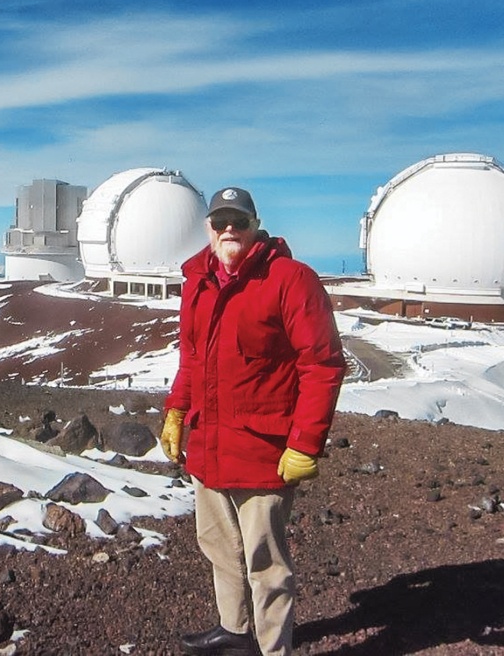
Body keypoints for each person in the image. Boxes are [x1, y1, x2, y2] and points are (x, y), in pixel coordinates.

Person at [160, 187, 346, 656]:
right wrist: (177, 410)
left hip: (263, 449)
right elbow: (193, 357)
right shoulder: (198, 281)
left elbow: (322, 364)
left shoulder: (289, 279)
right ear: (208, 227)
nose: (229, 230)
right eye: (220, 221)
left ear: (255, 225)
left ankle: (272, 649)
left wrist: (304, 443)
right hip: (210, 445)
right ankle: (234, 631)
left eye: (238, 222)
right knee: (219, 547)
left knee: (266, 562)